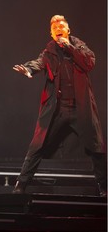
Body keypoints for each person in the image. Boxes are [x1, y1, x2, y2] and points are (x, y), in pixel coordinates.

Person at [12, 15, 107, 197]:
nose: (58, 30)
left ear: (68, 31)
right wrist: (29, 69)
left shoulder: (79, 46)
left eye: (61, 27)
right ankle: (21, 185)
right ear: (51, 33)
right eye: (54, 28)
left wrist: (69, 47)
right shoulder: (49, 52)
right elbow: (39, 63)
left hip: (81, 109)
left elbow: (89, 62)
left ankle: (104, 187)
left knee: (97, 147)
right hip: (58, 110)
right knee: (37, 146)